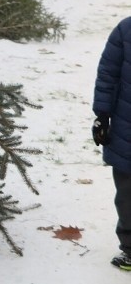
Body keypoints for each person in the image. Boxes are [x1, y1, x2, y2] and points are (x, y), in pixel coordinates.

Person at [92, 16, 131, 271]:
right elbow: (108, 73)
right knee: (128, 194)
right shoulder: (126, 30)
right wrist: (102, 116)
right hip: (127, 130)